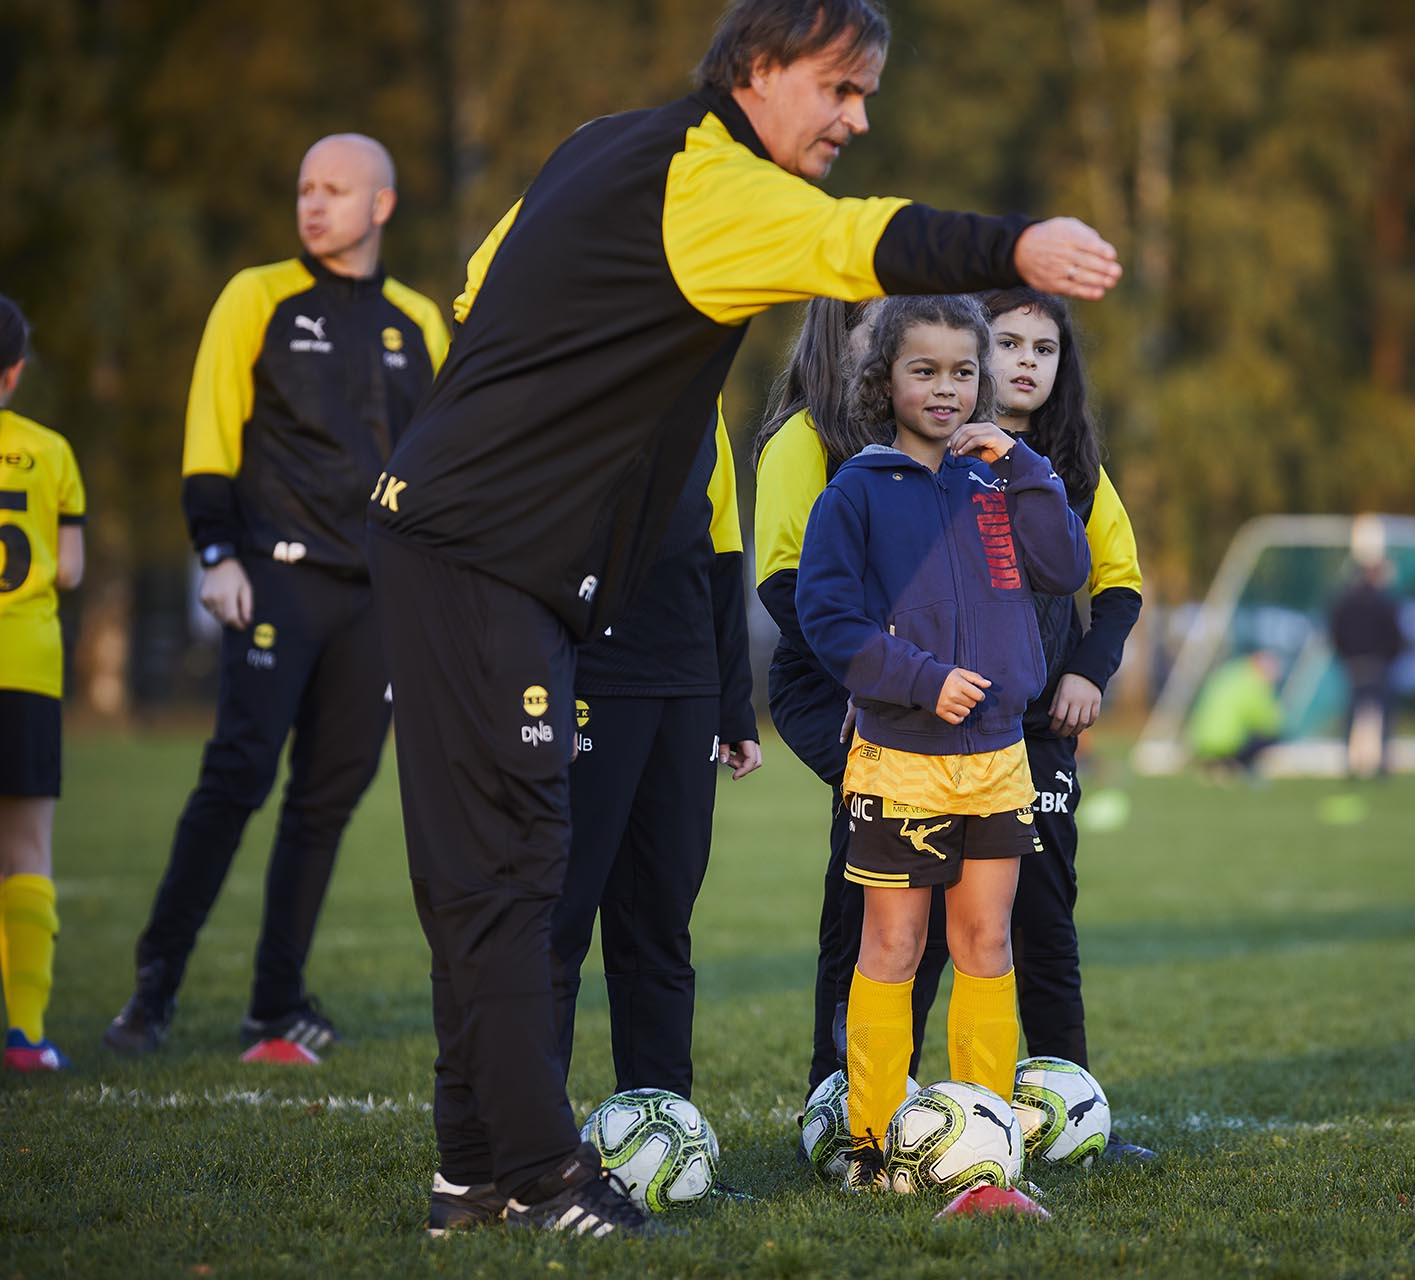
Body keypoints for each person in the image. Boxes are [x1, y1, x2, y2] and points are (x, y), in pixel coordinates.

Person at [365, 0, 1118, 1239]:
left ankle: (471, 1174)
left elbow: (479, 286)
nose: (858, 118)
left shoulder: (605, 143)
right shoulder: (706, 182)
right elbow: (861, 243)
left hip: (484, 549)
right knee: (508, 869)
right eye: (840, 88)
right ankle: (546, 1180)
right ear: (759, 71)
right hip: (481, 552)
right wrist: (1022, 242)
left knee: (492, 871)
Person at [103, 134, 449, 1058]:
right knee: (237, 777)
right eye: (303, 188)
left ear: (381, 204)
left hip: (377, 598)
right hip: (274, 582)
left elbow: (446, 459)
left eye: (334, 189)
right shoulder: (255, 296)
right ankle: (153, 991)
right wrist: (216, 552)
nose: (313, 204)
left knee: (328, 798)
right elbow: (210, 435)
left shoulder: (420, 320)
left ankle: (275, 1000)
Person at [797, 293, 1091, 1191]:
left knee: (987, 942)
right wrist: (921, 681)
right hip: (903, 759)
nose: (946, 388)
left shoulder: (1001, 475)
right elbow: (827, 617)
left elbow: (1067, 568)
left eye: (964, 371)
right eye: (923, 370)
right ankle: (875, 1145)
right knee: (890, 947)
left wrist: (1027, 464)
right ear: (884, 379)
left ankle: (984, 1140)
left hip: (1000, 755)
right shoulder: (857, 489)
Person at [752, 299, 949, 1104]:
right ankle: (838, 1089)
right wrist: (868, 677)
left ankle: (891, 1076)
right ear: (844, 337)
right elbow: (783, 582)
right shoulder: (805, 438)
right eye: (879, 326)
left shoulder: (923, 446)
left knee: (933, 880)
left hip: (912, 684)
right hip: (829, 682)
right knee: (873, 876)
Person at [978, 287, 1156, 1158]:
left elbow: (1119, 584)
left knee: (1044, 927)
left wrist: (1087, 670)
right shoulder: (930, 452)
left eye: (1043, 349)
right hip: (941, 736)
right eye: (1007, 342)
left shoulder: (1076, 468)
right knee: (915, 934)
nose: (1025, 361)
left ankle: (1070, 1119)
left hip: (1039, 736)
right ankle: (879, 1119)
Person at [549, 403, 761, 1103]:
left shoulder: (706, 397)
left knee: (661, 926)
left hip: (686, 690)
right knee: (558, 920)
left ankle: (660, 1130)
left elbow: (723, 555)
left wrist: (733, 705)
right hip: (585, 682)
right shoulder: (573, 371)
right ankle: (527, 1146)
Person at [0, 296, 86, 1072]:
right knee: (25, 849)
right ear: (15, 372)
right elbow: (69, 568)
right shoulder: (50, 450)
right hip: (25, 665)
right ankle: (26, 1035)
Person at [1330, 558, 1405, 778]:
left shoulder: (1345, 601)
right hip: (1378, 663)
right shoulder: (1385, 602)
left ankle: (1349, 764)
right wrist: (1389, 657)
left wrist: (1346, 655)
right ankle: (1382, 765)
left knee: (1353, 715)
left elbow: (1335, 632)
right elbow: (1395, 635)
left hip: (1354, 663)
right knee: (1383, 715)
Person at [1186, 650, 1284, 776]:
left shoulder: (1227, 674)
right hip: (1228, 742)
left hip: (1200, 740)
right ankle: (1241, 767)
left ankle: (1216, 765)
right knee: (1270, 736)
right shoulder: (1253, 683)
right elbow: (1268, 722)